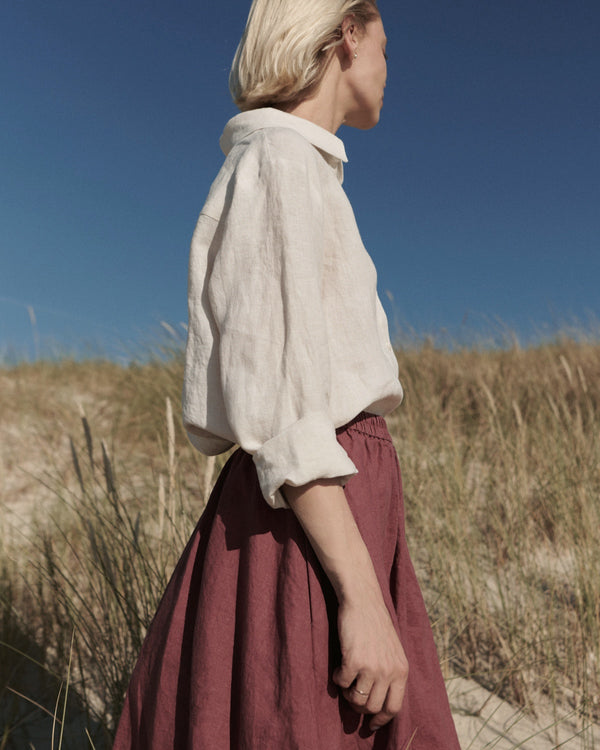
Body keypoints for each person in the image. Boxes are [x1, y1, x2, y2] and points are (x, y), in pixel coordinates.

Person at [112, 1, 461, 747]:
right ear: (347, 34)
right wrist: (361, 596)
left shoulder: (300, 171)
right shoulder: (276, 164)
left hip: (329, 507)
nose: (390, 71)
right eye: (387, 49)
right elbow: (280, 410)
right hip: (304, 522)